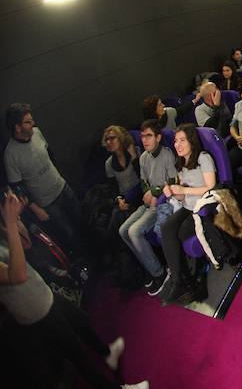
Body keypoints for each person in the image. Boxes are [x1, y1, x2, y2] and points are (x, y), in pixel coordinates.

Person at [0, 192, 151, 389]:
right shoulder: (7, 228)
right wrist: (11, 223)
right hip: (34, 312)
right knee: (79, 356)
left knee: (81, 321)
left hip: (43, 294)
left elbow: (26, 245)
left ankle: (108, 353)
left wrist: (16, 218)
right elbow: (17, 276)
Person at [4, 104, 87, 258]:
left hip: (62, 186)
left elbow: (49, 154)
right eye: (28, 122)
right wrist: (36, 209)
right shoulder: (11, 155)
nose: (33, 123)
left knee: (81, 216)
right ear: (17, 128)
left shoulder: (36, 133)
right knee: (69, 233)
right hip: (47, 202)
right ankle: (87, 257)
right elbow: (18, 188)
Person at [159, 124, 217, 304]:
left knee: (178, 233)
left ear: (192, 140)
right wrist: (173, 192)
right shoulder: (181, 164)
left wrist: (183, 189)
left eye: (182, 140)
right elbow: (183, 195)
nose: (177, 144)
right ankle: (180, 281)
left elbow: (211, 187)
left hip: (203, 206)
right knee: (166, 227)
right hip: (188, 206)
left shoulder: (203, 158)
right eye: (176, 141)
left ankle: (185, 280)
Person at [118, 120, 177, 295]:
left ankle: (159, 272)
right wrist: (148, 191)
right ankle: (149, 266)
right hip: (148, 202)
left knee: (134, 231)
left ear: (158, 137)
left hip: (162, 203)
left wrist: (154, 192)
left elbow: (173, 182)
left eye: (149, 136)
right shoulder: (143, 157)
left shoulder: (167, 154)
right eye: (142, 136)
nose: (144, 140)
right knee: (123, 230)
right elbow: (144, 182)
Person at [100, 125, 142, 235]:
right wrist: (119, 200)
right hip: (125, 198)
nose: (109, 142)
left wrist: (134, 158)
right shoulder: (109, 163)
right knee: (116, 216)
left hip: (140, 193)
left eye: (112, 138)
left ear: (121, 138)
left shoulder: (135, 151)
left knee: (117, 217)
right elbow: (113, 188)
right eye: (107, 139)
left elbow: (143, 176)